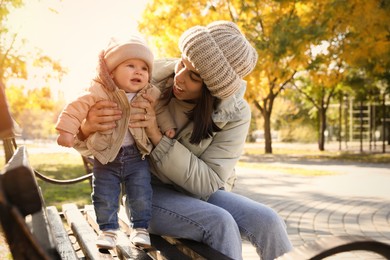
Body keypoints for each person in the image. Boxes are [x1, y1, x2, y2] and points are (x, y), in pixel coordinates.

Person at [74, 21, 293, 260]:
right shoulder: (144, 77)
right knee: (220, 223)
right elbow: (91, 139)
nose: (179, 77)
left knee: (268, 220)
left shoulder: (235, 113)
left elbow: (208, 182)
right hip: (146, 194)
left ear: (213, 88)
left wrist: (157, 136)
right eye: (182, 62)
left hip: (199, 193)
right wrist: (86, 128)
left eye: (194, 76)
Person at [55, 35, 176, 249]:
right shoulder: (98, 91)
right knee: (104, 195)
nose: (139, 71)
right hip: (106, 157)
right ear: (111, 72)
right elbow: (75, 109)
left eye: (144, 68)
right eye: (130, 65)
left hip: (136, 156)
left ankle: (140, 229)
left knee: (140, 193)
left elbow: (159, 111)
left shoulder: (148, 93)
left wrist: (167, 127)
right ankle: (108, 230)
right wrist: (66, 131)